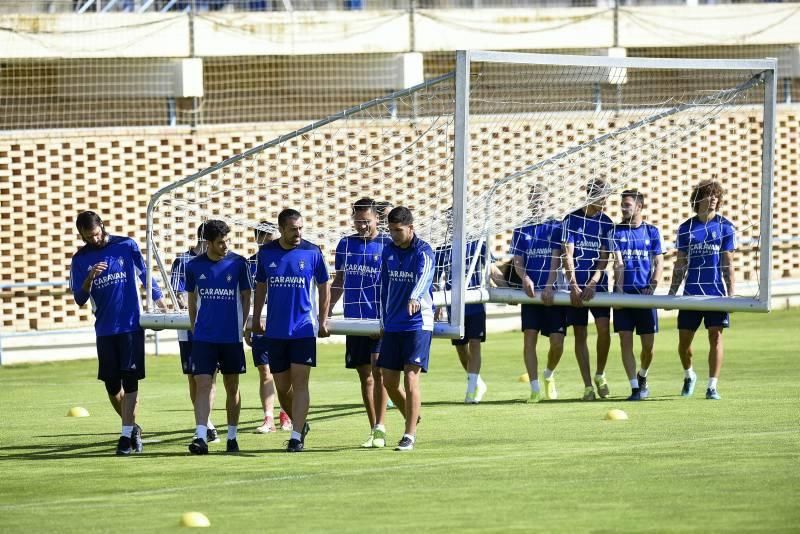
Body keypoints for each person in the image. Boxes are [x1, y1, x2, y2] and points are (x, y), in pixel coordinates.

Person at [69, 210, 167, 456]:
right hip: (104, 329)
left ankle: (124, 436)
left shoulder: (126, 245)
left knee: (130, 380)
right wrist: (89, 278)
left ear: (102, 226)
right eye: (88, 237)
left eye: (96, 234)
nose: (94, 239)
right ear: (80, 235)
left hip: (130, 326)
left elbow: (145, 274)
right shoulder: (80, 259)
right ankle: (133, 428)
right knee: (112, 386)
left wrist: (161, 301)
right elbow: (79, 299)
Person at [252, 209, 331, 452]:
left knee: (300, 384)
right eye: (292, 229)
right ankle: (300, 423)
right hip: (275, 332)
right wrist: (256, 319)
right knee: (282, 387)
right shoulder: (266, 253)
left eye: (300, 228)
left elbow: (324, 285)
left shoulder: (312, 251)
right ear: (281, 229)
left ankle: (296, 436)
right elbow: (261, 287)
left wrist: (323, 319)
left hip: (302, 330)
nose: (298, 233)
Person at [330, 198, 397, 448]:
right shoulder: (346, 244)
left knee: (379, 372)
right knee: (365, 376)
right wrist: (325, 309)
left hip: (379, 320)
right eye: (358, 222)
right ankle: (373, 428)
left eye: (366, 221)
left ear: (376, 219)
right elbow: (339, 280)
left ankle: (381, 427)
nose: (362, 226)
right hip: (353, 319)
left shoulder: (388, 245)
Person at [185, 220, 252, 455]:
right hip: (204, 338)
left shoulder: (239, 263)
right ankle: (201, 435)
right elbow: (192, 300)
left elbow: (246, 295)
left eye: (227, 241)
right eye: (220, 242)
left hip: (231, 338)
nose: (225, 246)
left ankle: (232, 436)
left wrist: (242, 327)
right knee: (203, 383)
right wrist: (195, 327)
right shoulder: (194, 266)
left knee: (232, 386)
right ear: (208, 243)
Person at [668, 180, 735, 400]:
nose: (713, 198)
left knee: (715, 337)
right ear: (698, 199)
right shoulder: (686, 228)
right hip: (691, 294)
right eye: (709, 194)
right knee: (684, 344)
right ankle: (689, 374)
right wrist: (672, 293)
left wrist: (731, 295)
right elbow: (680, 263)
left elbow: (728, 263)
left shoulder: (725, 226)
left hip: (715, 294)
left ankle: (712, 386)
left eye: (716, 195)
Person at [378, 206, 435, 452]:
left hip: (417, 323)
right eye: (391, 230)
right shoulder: (388, 250)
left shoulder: (423, 251)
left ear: (411, 228)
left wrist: (414, 297)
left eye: (398, 230)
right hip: (392, 324)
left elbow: (425, 277)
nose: (394, 235)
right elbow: (384, 286)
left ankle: (409, 435)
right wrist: (383, 320)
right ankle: (413, 414)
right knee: (388, 381)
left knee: (411, 378)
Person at [510, 188, 567, 404]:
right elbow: (518, 261)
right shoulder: (522, 229)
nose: (537, 204)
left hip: (553, 293)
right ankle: (534, 389)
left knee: (557, 342)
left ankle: (549, 375)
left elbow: (557, 258)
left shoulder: (555, 227)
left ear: (548, 201)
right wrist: (525, 278)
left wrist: (550, 285)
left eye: (540, 200)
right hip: (531, 296)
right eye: (533, 200)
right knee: (529, 338)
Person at [562, 178, 614, 400]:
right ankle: (587, 386)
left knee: (604, 329)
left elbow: (604, 259)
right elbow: (567, 255)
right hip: (576, 285)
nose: (605, 202)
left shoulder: (607, 223)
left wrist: (593, 283)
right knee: (580, 333)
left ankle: (600, 374)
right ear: (592, 195)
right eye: (602, 197)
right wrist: (573, 284)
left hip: (598, 285)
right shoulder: (571, 219)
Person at [609, 190, 664, 401]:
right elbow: (618, 263)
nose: (623, 208)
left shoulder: (652, 232)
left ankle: (643, 375)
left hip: (645, 295)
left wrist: (653, 285)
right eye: (622, 205)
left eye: (627, 204)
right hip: (624, 294)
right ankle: (634, 388)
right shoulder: (616, 232)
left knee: (648, 347)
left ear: (639, 207)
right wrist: (620, 292)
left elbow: (659, 262)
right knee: (624, 340)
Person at [170, 224, 219, 444]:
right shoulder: (183, 261)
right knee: (194, 377)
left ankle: (206, 422)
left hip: (214, 328)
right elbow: (179, 294)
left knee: (211, 377)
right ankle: (205, 424)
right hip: (190, 329)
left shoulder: (219, 262)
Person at [433, 210, 488, 404]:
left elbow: (491, 268)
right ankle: (477, 380)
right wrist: (437, 303)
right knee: (461, 349)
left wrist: (506, 286)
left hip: (475, 304)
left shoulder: (477, 243)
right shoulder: (442, 248)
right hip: (453, 305)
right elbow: (435, 276)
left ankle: (471, 390)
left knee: (475, 344)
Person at [247, 222, 291, 433]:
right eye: (262, 237)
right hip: (259, 324)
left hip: (283, 323)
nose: (267, 241)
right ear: (257, 240)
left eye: (270, 237)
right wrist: (249, 324)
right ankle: (268, 419)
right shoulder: (250, 264)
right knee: (265, 371)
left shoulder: (287, 258)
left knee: (285, 372)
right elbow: (247, 296)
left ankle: (287, 414)